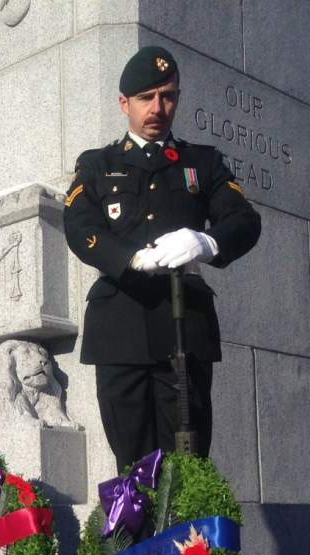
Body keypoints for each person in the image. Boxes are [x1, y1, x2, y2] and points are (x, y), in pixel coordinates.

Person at [64, 47, 262, 472]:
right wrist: (130, 259)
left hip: (183, 325)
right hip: (120, 325)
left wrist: (206, 243)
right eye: (146, 97)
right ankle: (134, 540)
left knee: (187, 468)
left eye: (168, 96)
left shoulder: (203, 162)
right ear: (124, 103)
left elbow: (244, 220)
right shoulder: (97, 165)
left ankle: (184, 542)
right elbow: (80, 227)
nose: (158, 108)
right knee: (132, 469)